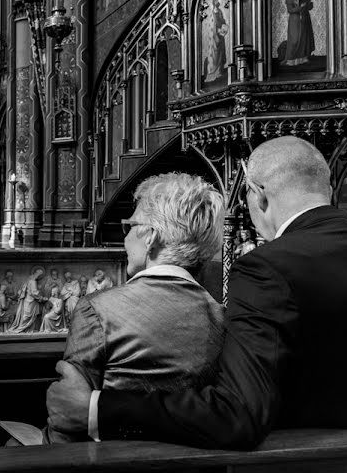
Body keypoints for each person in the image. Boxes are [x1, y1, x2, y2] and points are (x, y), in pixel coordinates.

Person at [47, 136, 347, 448]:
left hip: (311, 472)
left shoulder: (269, 267)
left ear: (257, 193)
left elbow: (238, 415)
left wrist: (99, 408)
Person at [51, 173, 225, 443]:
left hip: (111, 471)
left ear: (150, 238)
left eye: (130, 226)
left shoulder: (99, 309)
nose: (126, 237)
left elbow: (68, 418)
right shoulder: (221, 316)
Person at [283, 0, 315, 66]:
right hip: (294, 21)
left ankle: (302, 58)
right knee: (295, 39)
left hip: (304, 20)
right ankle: (291, 60)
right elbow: (290, 10)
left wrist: (308, 4)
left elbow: (310, 7)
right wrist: (300, 7)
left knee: (303, 39)